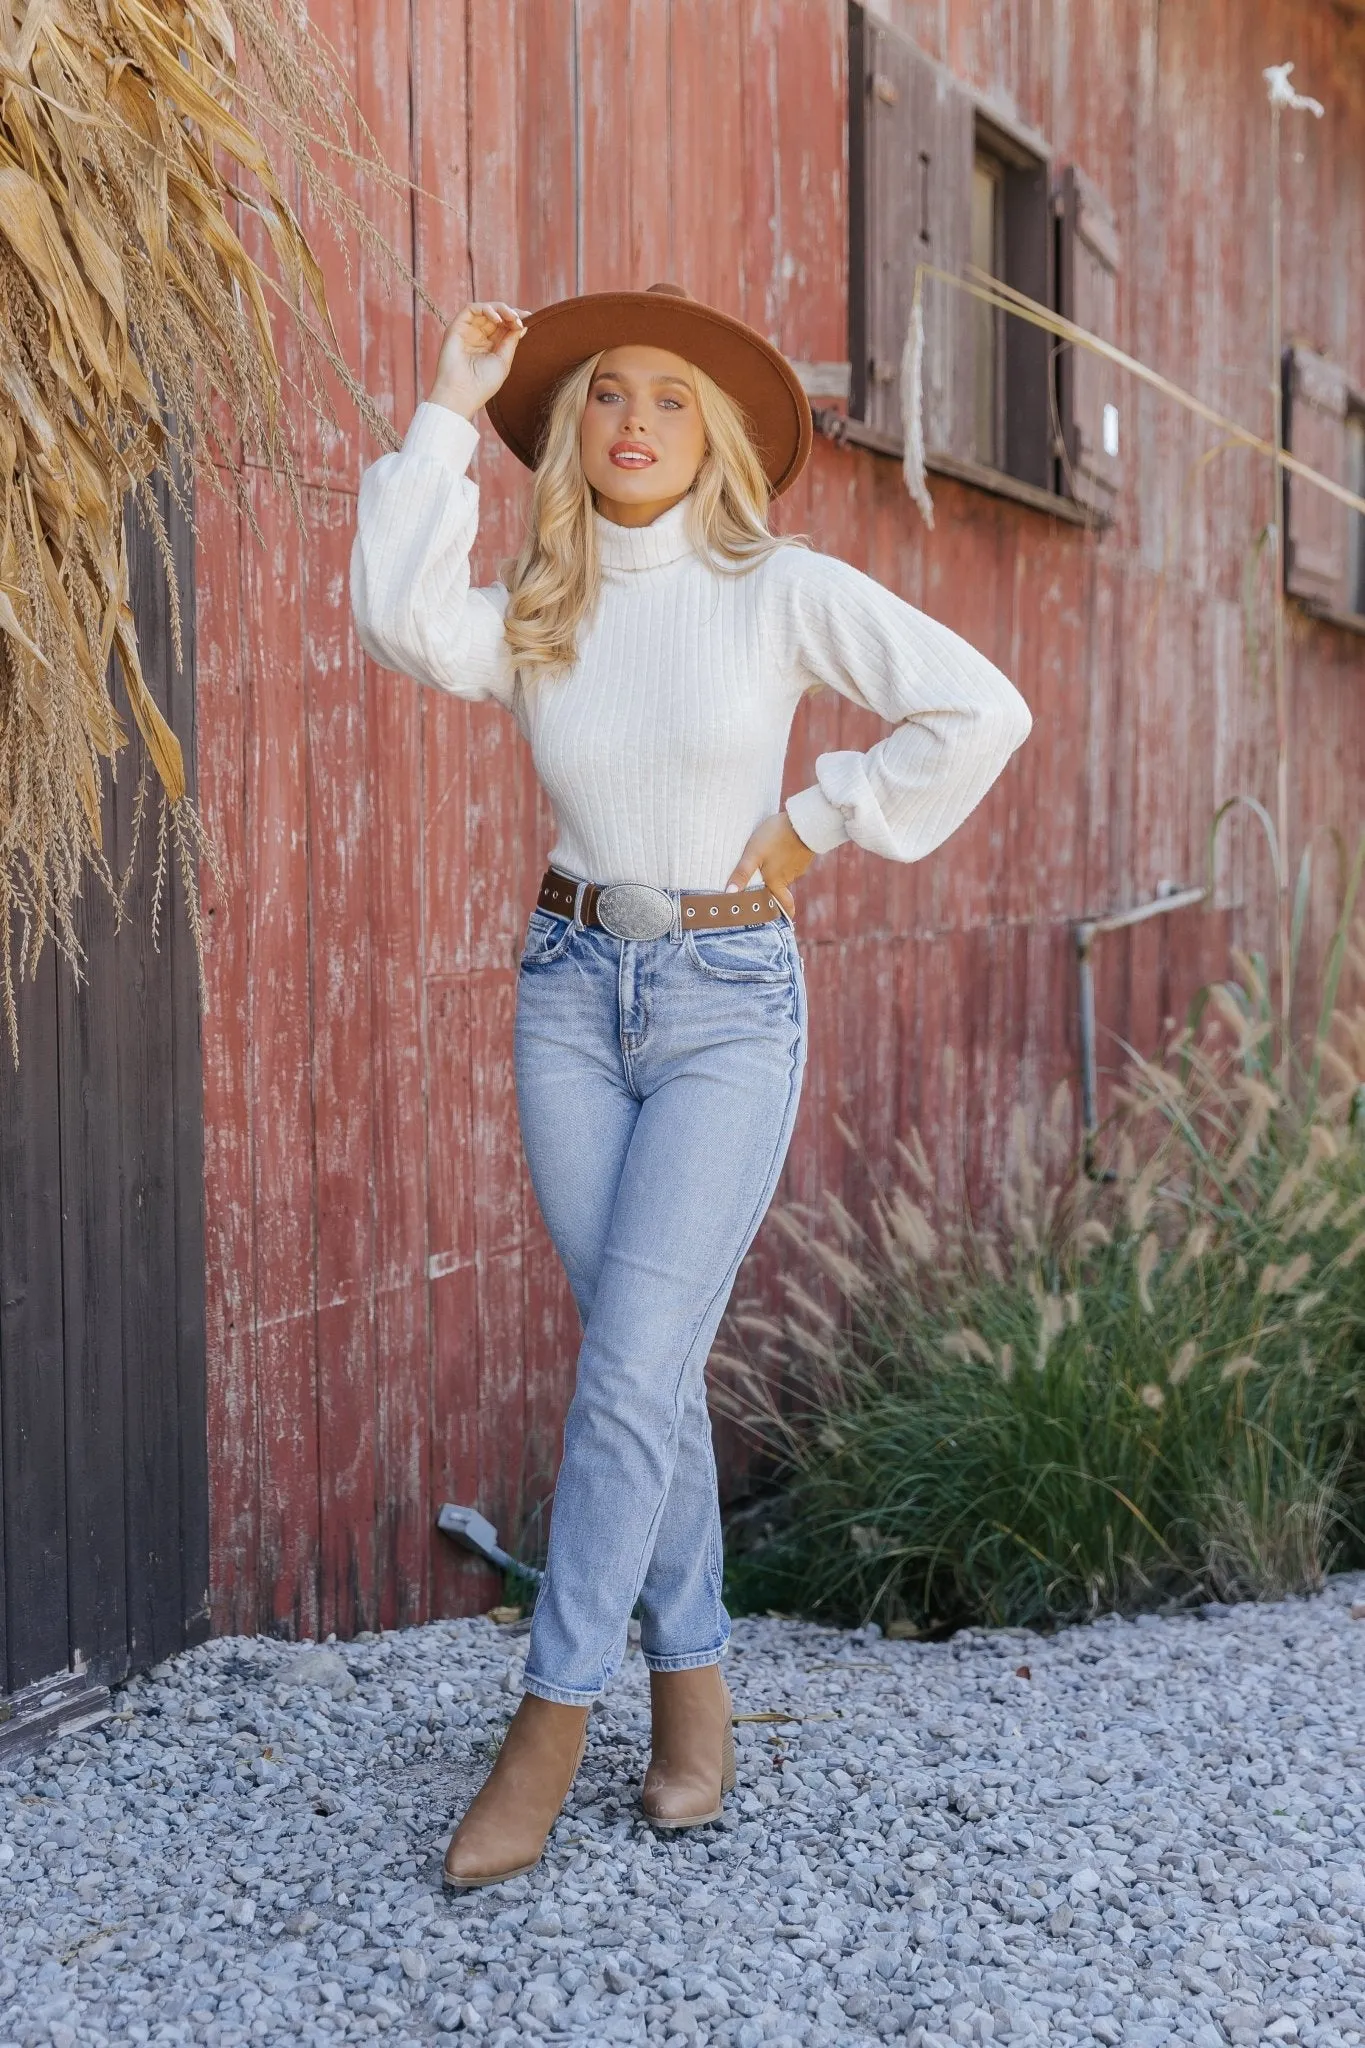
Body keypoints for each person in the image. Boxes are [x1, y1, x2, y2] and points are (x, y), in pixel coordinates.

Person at [349, 282, 1033, 1890]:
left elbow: (980, 707)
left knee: (626, 1374)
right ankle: (695, 1693)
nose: (635, 420)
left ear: (711, 435)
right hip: (571, 996)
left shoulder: (778, 590)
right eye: (603, 397)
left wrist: (822, 816)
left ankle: (549, 1721)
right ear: (574, 435)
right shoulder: (543, 602)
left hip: (728, 1003)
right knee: (636, 1375)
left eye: (668, 397)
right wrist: (451, 402)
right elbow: (391, 612)